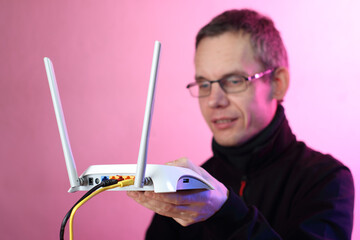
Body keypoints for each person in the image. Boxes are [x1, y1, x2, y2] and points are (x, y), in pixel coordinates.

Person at [127, 9, 354, 239]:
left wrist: (224, 212)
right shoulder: (183, 187)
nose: (214, 100)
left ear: (278, 83)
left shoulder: (326, 179)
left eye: (234, 80)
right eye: (204, 84)